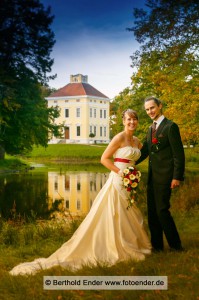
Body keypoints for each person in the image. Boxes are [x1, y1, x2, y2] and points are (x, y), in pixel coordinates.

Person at [9, 109, 151, 276]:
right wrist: (121, 172)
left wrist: (133, 173)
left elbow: (141, 155)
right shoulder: (119, 138)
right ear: (123, 121)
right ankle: (116, 245)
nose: (132, 122)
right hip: (118, 178)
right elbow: (104, 159)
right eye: (129, 119)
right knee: (116, 211)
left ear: (137, 121)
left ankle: (132, 243)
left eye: (134, 119)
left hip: (130, 179)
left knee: (129, 210)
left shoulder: (136, 140)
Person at [136, 96, 185, 252]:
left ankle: (176, 246)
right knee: (152, 213)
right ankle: (157, 247)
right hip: (152, 178)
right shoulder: (151, 129)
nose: (150, 111)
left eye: (152, 108)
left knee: (162, 211)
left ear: (160, 106)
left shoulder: (171, 127)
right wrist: (127, 163)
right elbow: (144, 152)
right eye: (147, 109)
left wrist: (177, 177)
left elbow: (178, 155)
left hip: (166, 177)